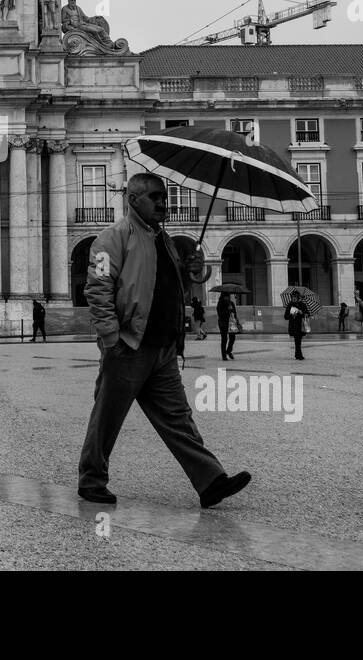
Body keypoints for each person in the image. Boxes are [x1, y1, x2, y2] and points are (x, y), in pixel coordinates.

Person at [79, 172, 251, 508]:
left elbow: (175, 288)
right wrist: (112, 338)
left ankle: (210, 481)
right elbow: (97, 290)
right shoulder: (110, 239)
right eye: (155, 197)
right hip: (129, 345)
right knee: (107, 416)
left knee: (178, 417)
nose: (163, 203)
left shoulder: (165, 239)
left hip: (162, 347)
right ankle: (91, 479)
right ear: (133, 199)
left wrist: (192, 269)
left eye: (164, 197)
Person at [215, 291, 238, 360]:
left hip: (231, 323)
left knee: (233, 338)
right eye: (226, 296)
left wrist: (236, 320)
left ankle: (228, 351)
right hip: (223, 323)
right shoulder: (220, 304)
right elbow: (220, 314)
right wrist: (228, 310)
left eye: (228, 296)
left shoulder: (231, 303)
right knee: (224, 339)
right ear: (222, 296)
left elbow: (235, 313)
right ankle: (224, 355)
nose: (227, 298)